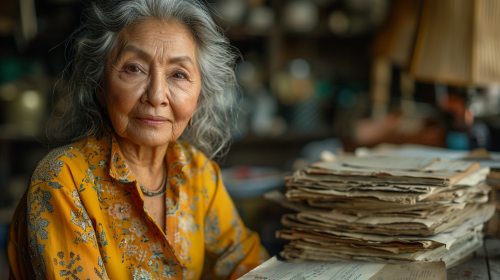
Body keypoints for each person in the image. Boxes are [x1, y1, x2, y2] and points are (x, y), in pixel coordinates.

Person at [7, 0, 269, 279]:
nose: (156, 96)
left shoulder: (197, 173)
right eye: (134, 68)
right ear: (100, 86)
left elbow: (248, 263)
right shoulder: (63, 179)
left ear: (199, 97)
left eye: (178, 74)